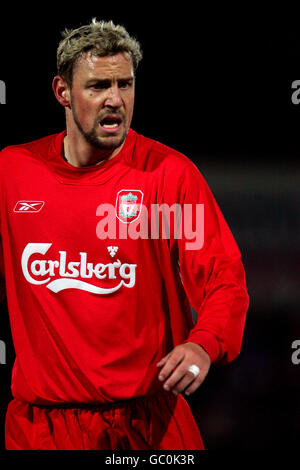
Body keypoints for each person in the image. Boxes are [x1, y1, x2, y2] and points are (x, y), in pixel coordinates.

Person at [1, 18, 249, 450]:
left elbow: (223, 277)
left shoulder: (166, 176)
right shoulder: (14, 173)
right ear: (62, 92)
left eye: (125, 84)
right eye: (98, 86)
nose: (115, 99)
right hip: (43, 429)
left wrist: (204, 344)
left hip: (148, 422)